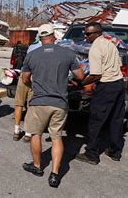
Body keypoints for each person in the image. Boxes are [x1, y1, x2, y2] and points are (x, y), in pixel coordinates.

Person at [21, 24, 84, 188]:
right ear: (54, 36)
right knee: (56, 137)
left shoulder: (32, 55)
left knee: (36, 134)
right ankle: (55, 175)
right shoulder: (68, 53)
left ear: (40, 38)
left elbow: (24, 78)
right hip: (59, 103)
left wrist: (34, 84)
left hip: (39, 102)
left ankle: (37, 167)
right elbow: (80, 75)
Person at [76, 22, 125, 164]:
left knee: (96, 120)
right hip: (118, 85)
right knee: (116, 119)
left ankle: (91, 154)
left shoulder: (95, 48)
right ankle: (115, 152)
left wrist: (80, 83)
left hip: (106, 87)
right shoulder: (110, 44)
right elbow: (118, 65)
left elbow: (96, 75)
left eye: (88, 34)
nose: (85, 37)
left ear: (97, 33)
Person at [13, 39, 41, 141]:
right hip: (36, 77)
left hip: (24, 74)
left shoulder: (32, 46)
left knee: (19, 104)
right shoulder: (49, 48)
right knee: (31, 106)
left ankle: (16, 131)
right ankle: (28, 133)